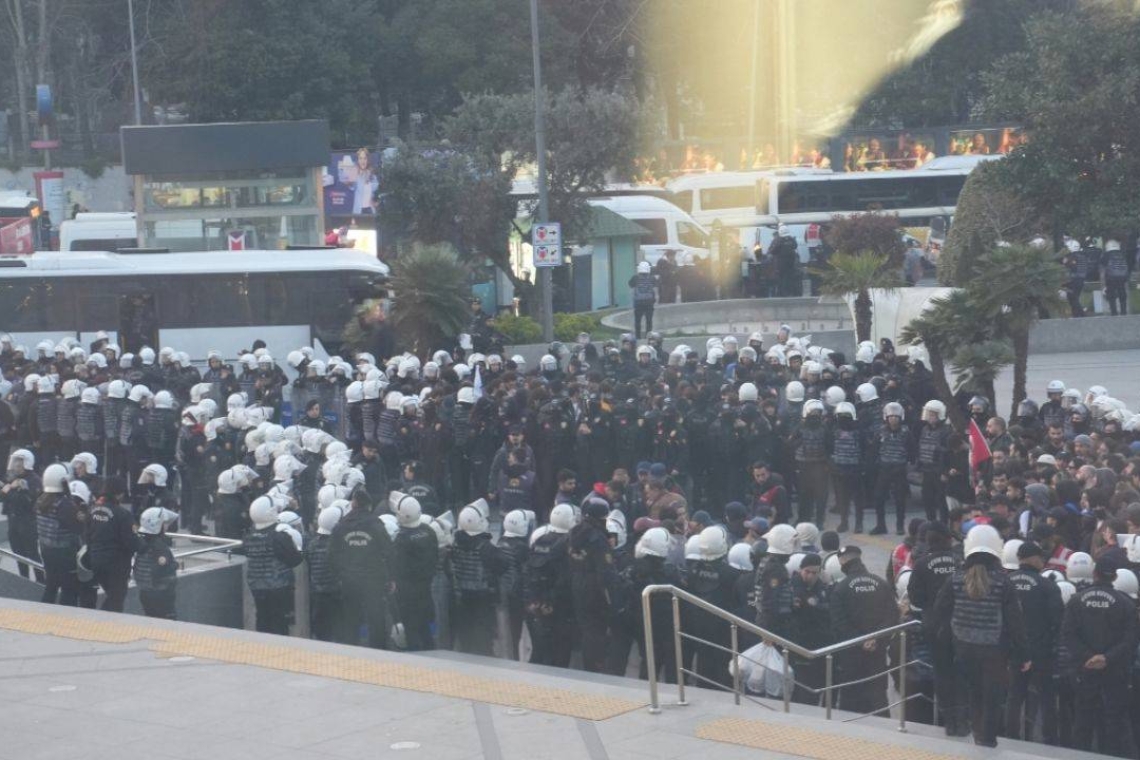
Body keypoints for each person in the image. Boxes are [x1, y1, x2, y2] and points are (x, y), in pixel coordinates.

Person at [930, 525, 1029, 747]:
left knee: (974, 692)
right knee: (992, 697)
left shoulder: (956, 578)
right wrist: (1023, 654)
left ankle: (977, 734)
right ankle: (987, 740)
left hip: (963, 646)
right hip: (994, 650)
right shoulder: (1004, 582)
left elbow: (939, 612)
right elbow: (1016, 623)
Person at [1062, 556, 1138, 758]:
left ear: (1094, 573)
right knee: (1114, 719)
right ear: (1114, 576)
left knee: (1083, 718)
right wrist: (1106, 658)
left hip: (1084, 668)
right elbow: (1131, 640)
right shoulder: (1127, 604)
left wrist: (1088, 657)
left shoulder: (1076, 600)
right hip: (1115, 669)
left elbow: (1068, 634)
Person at [1005, 540, 1063, 744]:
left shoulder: (1005, 582)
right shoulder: (1047, 585)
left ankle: (1010, 737)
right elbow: (1058, 620)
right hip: (1041, 652)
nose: (1043, 561)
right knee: (1047, 698)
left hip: (1012, 651)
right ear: (1032, 558)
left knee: (1014, 697)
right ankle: (1050, 740)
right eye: (1041, 557)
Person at [830, 545, 897, 716]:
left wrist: (860, 641)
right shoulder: (881, 584)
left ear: (843, 562)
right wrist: (877, 639)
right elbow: (892, 617)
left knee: (850, 702)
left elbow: (839, 623)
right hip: (878, 653)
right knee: (878, 698)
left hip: (851, 655)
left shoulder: (841, 588)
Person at [330, 490, 393, 648]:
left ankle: (351, 651)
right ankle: (379, 651)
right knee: (376, 617)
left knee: (351, 618)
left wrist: (339, 575)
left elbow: (331, 554)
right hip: (373, 578)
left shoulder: (340, 525)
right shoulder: (376, 523)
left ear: (353, 503)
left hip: (349, 579)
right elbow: (389, 551)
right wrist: (390, 577)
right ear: (369, 506)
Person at [242, 495, 304, 636]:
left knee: (262, 619)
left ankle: (263, 650)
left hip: (256, 586)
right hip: (279, 587)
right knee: (280, 623)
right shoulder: (279, 536)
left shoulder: (249, 536)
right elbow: (296, 560)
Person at [392, 494, 439, 651]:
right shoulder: (428, 531)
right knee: (425, 628)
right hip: (425, 588)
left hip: (407, 593)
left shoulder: (401, 540)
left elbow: (398, 568)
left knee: (411, 630)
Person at [83, 475, 137, 612]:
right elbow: (130, 541)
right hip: (116, 565)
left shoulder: (92, 510)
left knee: (109, 596)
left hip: (94, 561)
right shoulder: (123, 514)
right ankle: (105, 623)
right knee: (117, 598)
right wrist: (144, 547)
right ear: (119, 494)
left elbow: (86, 535)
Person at [133, 507, 179, 619]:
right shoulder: (159, 545)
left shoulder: (142, 541)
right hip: (160, 593)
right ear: (157, 525)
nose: (166, 525)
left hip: (145, 592)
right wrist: (175, 565)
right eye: (164, 523)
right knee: (166, 623)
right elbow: (161, 568)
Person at [629, 261, 657, 340]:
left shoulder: (635, 278)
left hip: (638, 303)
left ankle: (638, 337)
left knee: (637, 321)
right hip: (649, 302)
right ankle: (649, 336)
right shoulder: (652, 278)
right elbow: (655, 288)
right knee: (649, 320)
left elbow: (630, 285)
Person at [1102, 239, 1130, 316]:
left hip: (1111, 277)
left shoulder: (1107, 254)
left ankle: (1114, 312)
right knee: (1122, 293)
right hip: (1122, 276)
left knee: (1111, 294)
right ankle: (1123, 312)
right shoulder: (1122, 253)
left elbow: (1103, 263)